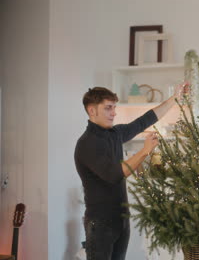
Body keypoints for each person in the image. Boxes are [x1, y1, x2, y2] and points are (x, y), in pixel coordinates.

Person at [74, 84, 186, 260]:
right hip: (100, 224)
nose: (114, 113)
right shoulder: (87, 143)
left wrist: (175, 98)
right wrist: (144, 151)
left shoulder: (114, 133)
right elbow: (114, 174)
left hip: (121, 220)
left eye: (114, 108)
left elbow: (144, 120)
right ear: (92, 111)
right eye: (108, 108)